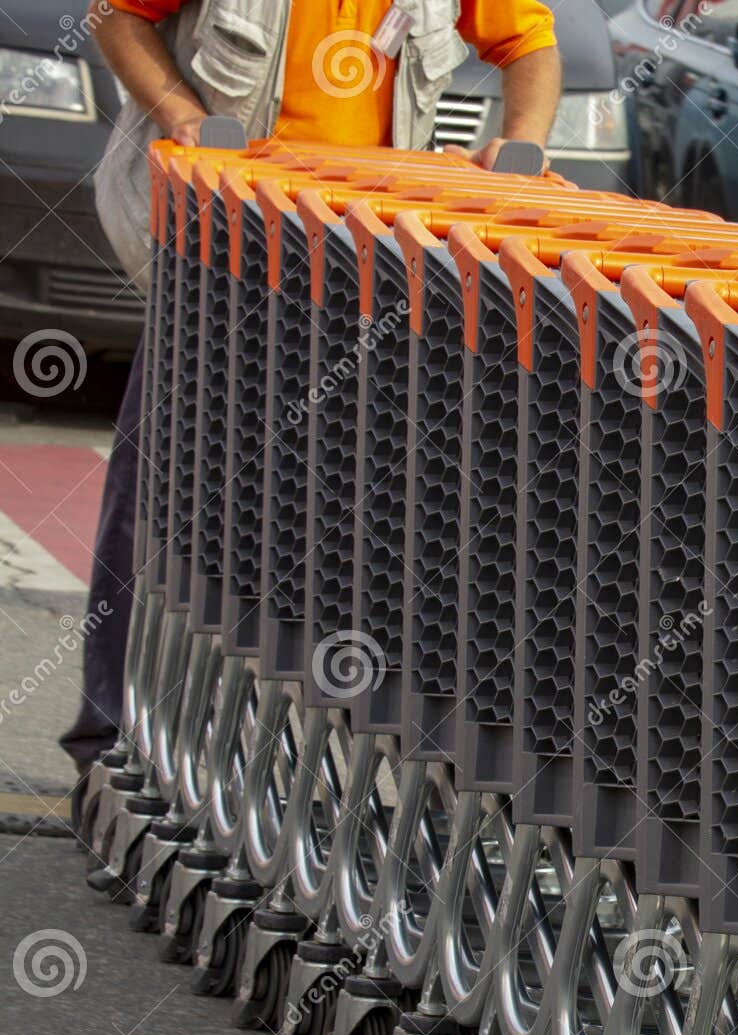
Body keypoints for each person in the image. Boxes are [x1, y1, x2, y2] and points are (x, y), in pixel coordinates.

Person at [62, 0, 562, 818]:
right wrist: (185, 116)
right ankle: (111, 749)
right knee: (162, 492)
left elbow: (530, 46)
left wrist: (524, 137)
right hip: (222, 237)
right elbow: (118, 17)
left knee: (335, 525)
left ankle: (273, 769)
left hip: (359, 261)